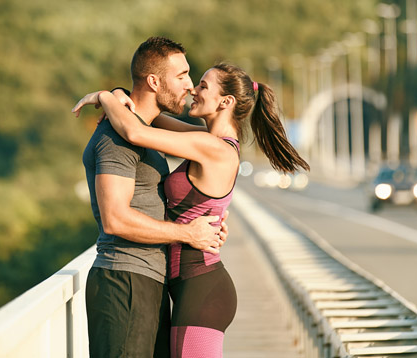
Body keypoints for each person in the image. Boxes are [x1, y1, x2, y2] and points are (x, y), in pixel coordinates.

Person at [73, 61, 310, 357]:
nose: (193, 91)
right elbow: (150, 117)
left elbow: (135, 133)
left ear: (226, 102)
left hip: (202, 288)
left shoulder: (214, 148)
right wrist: (122, 94)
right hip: (188, 286)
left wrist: (105, 97)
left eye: (203, 86)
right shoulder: (204, 138)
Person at [73, 36, 229, 358]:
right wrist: (188, 233)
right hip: (125, 280)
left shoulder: (145, 132)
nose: (189, 86)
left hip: (149, 281)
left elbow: (205, 142)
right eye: (182, 76)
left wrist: (111, 95)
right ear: (155, 81)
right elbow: (115, 219)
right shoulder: (118, 139)